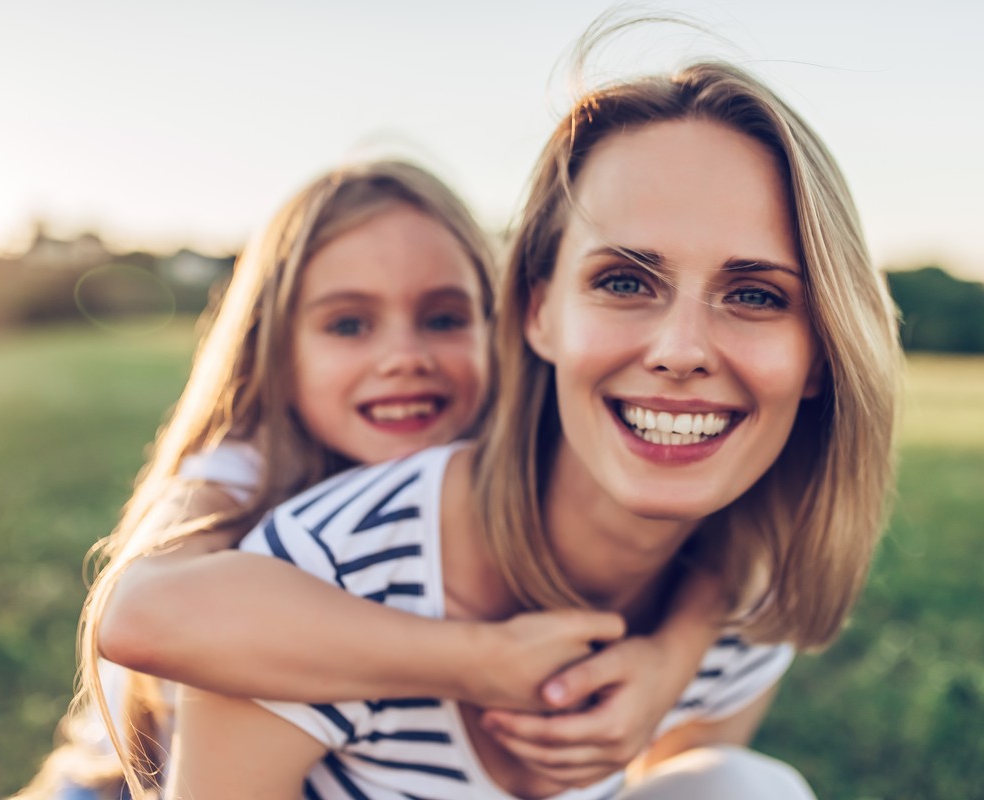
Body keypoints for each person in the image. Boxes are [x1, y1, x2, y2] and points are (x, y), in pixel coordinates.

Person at [151, 53, 902, 800]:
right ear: (539, 314)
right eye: (624, 281)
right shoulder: (302, 566)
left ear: (822, 355)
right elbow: (141, 612)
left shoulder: (739, 595)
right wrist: (480, 658)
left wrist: (681, 647)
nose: (680, 352)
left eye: (756, 295)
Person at [13, 159, 724, 800]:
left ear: (502, 328)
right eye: (349, 325)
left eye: (444, 318)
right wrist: (481, 662)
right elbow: (140, 615)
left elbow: (722, 531)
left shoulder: (503, 461)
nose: (403, 357)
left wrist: (670, 658)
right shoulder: (239, 467)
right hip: (119, 785)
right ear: (278, 349)